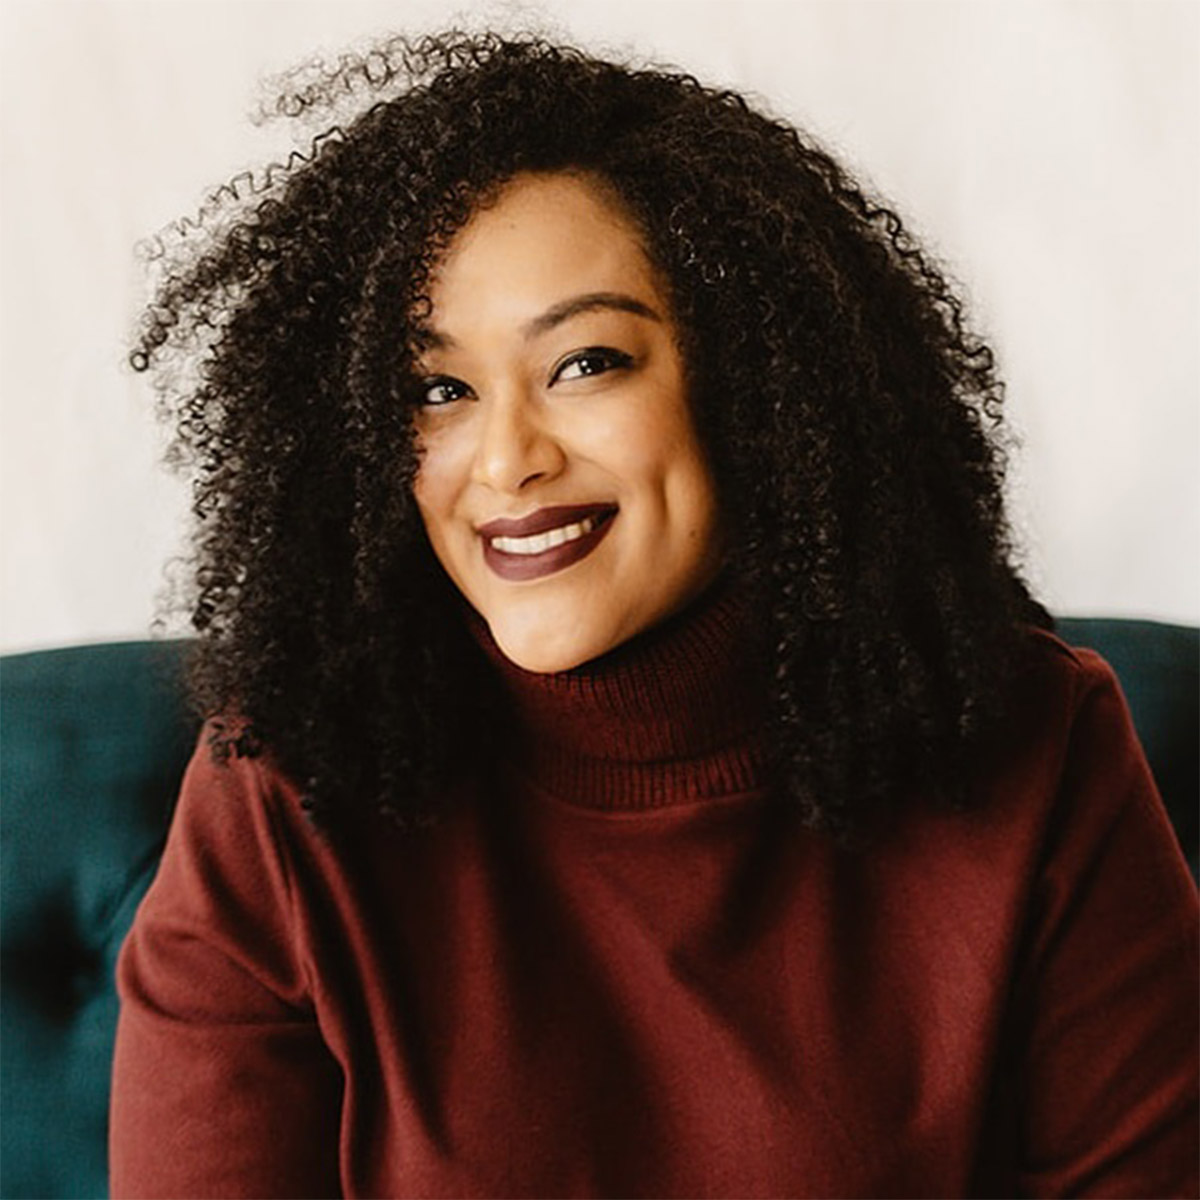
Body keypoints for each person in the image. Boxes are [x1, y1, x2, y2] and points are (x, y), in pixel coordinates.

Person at [109, 32, 1198, 1199]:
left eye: (585, 363)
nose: (507, 459)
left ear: (762, 387)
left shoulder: (1040, 746)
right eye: (438, 390)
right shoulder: (288, 785)